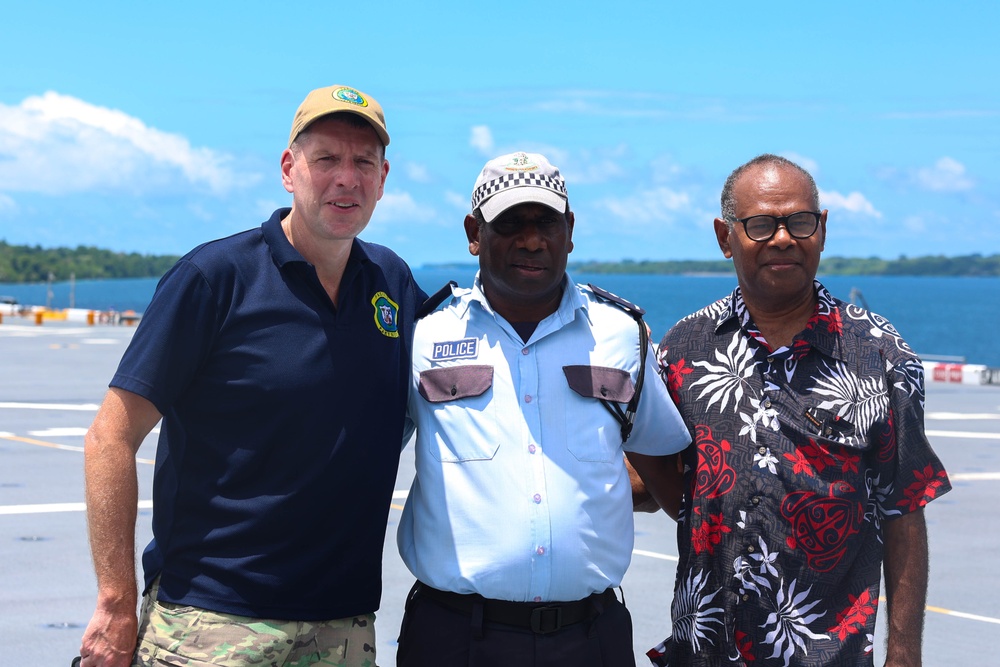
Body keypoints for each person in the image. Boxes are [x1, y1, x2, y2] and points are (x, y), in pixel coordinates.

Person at [78, 85, 426, 667]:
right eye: (326, 159)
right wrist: (115, 602)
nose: (346, 179)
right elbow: (109, 438)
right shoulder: (215, 278)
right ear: (289, 169)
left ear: (383, 178)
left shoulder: (392, 282)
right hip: (212, 621)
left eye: (364, 162)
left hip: (344, 626)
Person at [641, 154, 951, 666]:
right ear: (724, 237)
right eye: (761, 225)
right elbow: (654, 476)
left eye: (799, 222)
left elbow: (905, 510)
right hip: (704, 654)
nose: (783, 239)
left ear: (822, 230)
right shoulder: (683, 350)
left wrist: (903, 654)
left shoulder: (881, 356)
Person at [395, 151, 692, 667]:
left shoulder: (622, 336)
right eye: (510, 223)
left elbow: (667, 476)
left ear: (569, 231)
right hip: (454, 637)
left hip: (589, 637)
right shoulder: (423, 336)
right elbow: (367, 461)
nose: (531, 240)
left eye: (546, 223)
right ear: (474, 233)